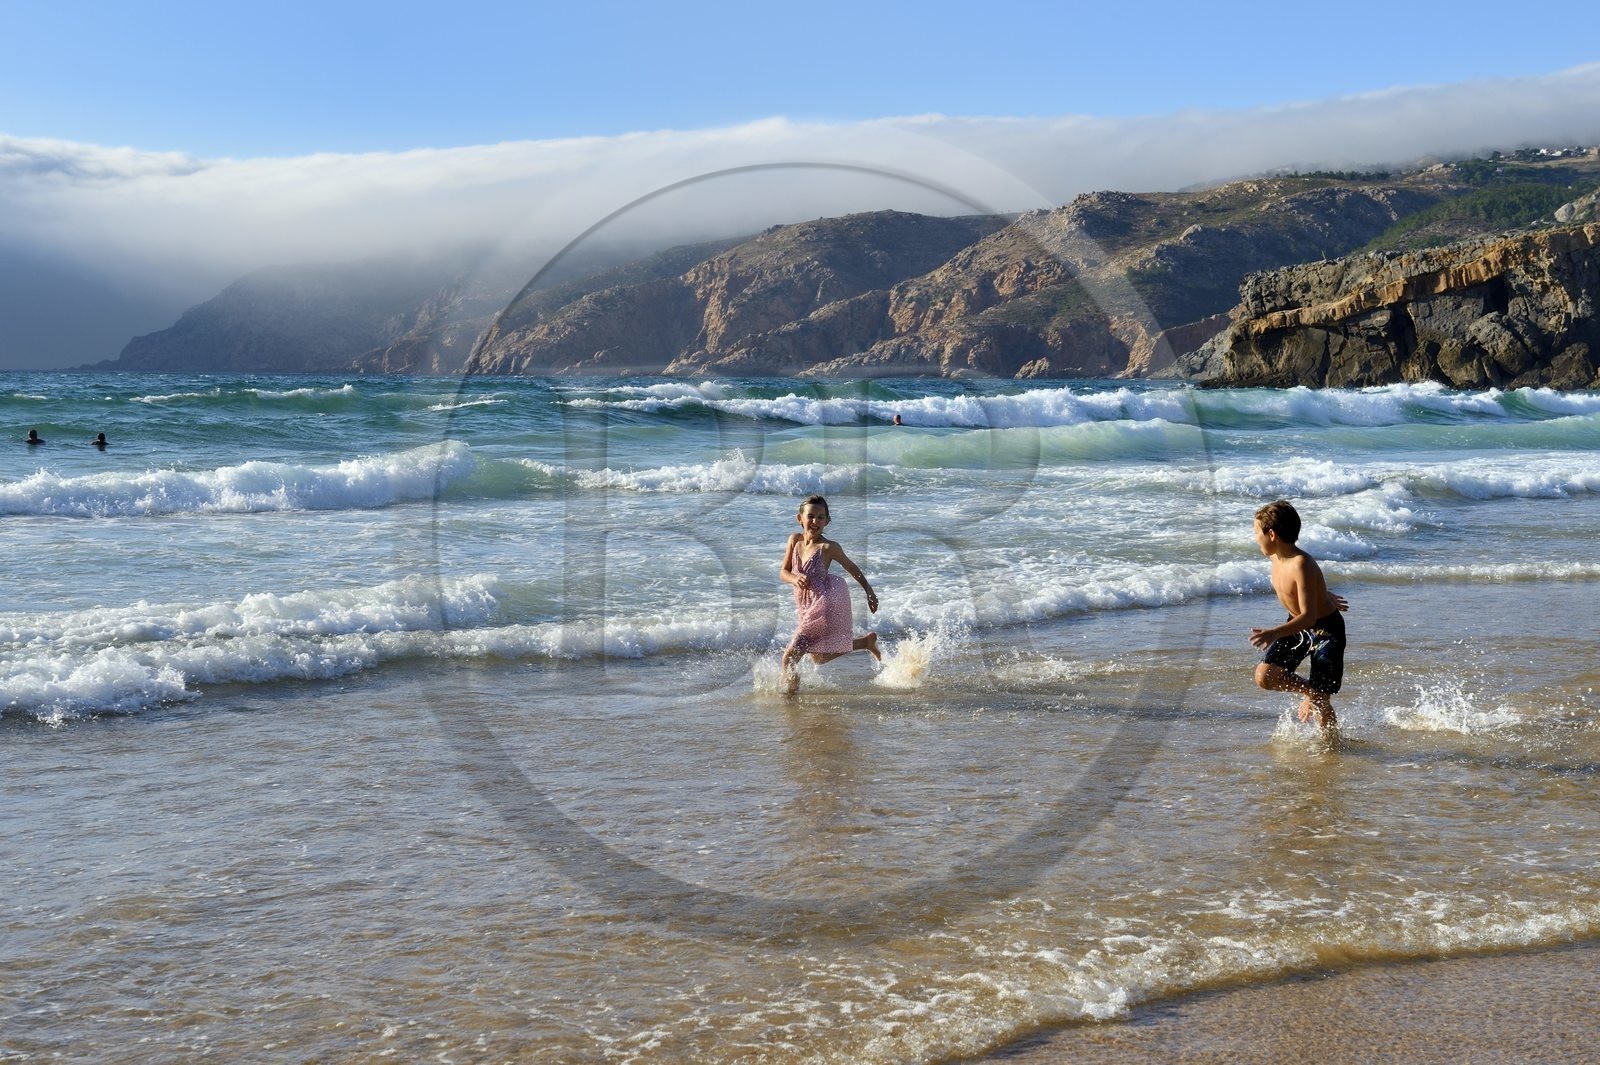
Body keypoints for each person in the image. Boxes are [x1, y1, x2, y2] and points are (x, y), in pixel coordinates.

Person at [1248, 499, 1348, 730]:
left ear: (1271, 534)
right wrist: (1323, 593)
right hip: (1298, 625)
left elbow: (1310, 617)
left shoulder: (1301, 563)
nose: (1255, 539)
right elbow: (1304, 590)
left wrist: (1273, 633)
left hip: (1326, 631)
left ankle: (1330, 745)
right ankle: (1311, 691)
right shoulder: (1276, 557)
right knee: (1265, 677)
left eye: (1256, 533)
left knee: (1321, 700)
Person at [780, 494, 881, 693]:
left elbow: (852, 568)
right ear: (800, 518)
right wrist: (795, 579)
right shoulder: (794, 540)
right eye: (810, 516)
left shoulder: (828, 548)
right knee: (818, 657)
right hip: (806, 606)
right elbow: (783, 571)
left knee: (789, 657)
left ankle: (789, 700)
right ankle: (865, 642)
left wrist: (869, 591)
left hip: (823, 605)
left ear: (827, 521)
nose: (815, 521)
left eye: (820, 517)